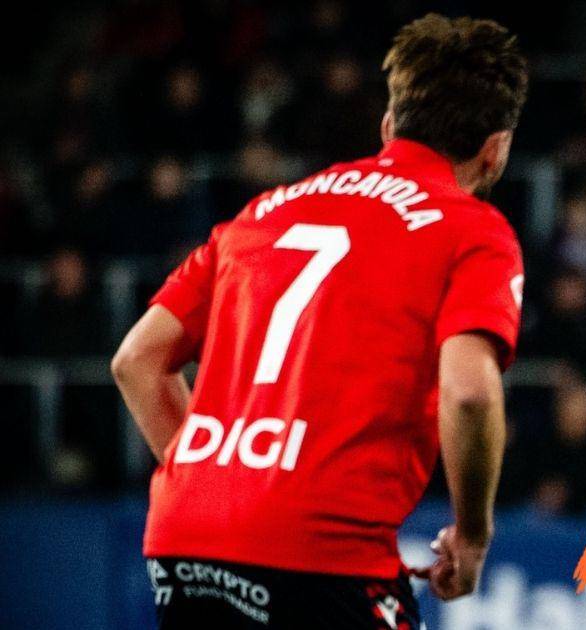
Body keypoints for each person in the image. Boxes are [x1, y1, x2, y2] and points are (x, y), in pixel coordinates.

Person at [111, 14, 528, 629]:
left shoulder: (264, 212)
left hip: (184, 539)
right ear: (496, 151)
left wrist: (222, 482)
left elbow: (137, 361)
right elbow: (469, 393)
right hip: (321, 552)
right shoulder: (472, 230)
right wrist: (472, 535)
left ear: (388, 124)